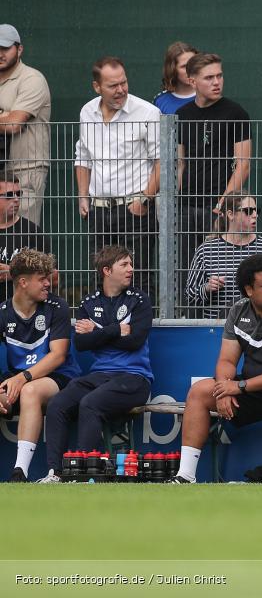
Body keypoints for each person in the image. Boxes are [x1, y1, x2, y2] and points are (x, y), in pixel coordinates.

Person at [170, 254, 262, 484]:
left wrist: (239, 386)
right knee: (200, 391)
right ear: (249, 290)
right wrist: (224, 389)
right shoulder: (238, 311)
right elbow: (227, 361)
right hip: (254, 389)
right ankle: (185, 475)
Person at [39, 245, 153, 483]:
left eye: (131, 264)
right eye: (124, 264)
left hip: (134, 378)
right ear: (106, 271)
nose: (131, 269)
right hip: (99, 376)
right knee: (58, 404)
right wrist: (115, 330)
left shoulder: (140, 299)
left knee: (90, 403)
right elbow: (81, 343)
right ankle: (55, 473)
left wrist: (97, 331)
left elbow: (134, 341)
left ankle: (86, 474)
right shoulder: (89, 303)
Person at [75, 56, 160, 299]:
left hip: (135, 208)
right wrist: (83, 196)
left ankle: (141, 320)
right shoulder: (87, 111)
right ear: (97, 87)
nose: (121, 89)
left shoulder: (147, 112)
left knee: (138, 274)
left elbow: (162, 162)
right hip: (99, 209)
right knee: (101, 274)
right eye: (113, 85)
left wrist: (144, 199)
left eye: (124, 82)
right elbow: (83, 156)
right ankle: (103, 319)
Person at [177, 52, 251, 307]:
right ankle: (185, 317)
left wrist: (223, 206)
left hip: (219, 207)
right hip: (186, 207)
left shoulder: (236, 113)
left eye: (219, 75)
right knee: (186, 269)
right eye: (209, 77)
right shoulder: (182, 114)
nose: (217, 82)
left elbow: (243, 165)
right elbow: (180, 163)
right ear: (192, 81)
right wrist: (176, 202)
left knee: (221, 269)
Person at [0, 249, 80, 481]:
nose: (48, 283)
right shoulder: (3, 313)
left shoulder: (57, 307)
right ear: (23, 282)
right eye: (42, 279)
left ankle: (19, 472)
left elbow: (58, 356)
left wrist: (22, 378)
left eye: (48, 278)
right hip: (18, 378)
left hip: (59, 377)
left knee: (30, 391)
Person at [184, 193, 262, 319]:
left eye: (256, 211)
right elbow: (189, 297)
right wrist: (207, 288)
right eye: (248, 211)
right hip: (218, 326)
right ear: (231, 214)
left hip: (260, 327)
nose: (255, 215)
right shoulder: (206, 251)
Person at [0, 24, 51, 225]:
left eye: (5, 48)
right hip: (2, 169)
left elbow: (14, 124)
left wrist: (10, 117)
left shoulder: (32, 79)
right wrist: (6, 115)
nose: (0, 54)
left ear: (19, 49)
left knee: (22, 233)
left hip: (25, 171)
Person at [0, 171, 55, 302]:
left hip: (24, 309)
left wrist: (15, 273)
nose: (16, 199)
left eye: (18, 194)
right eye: (9, 195)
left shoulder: (32, 232)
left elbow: (54, 277)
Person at [153, 41, 198, 114]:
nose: (191, 69)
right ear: (172, 69)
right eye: (184, 66)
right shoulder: (160, 101)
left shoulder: (208, 96)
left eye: (194, 64)